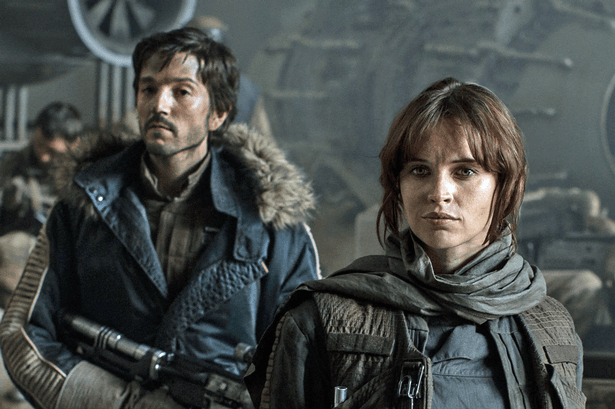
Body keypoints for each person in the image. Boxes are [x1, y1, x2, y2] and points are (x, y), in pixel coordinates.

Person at [0, 27, 319, 409]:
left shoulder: (271, 224)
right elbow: (23, 333)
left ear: (218, 114)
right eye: (148, 89)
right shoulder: (84, 204)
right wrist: (123, 402)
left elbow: (303, 363)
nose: (159, 105)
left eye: (181, 91)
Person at [245, 77, 586, 408]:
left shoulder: (552, 329)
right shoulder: (320, 321)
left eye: (464, 171)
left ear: (505, 183)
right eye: (420, 171)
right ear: (398, 184)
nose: (439, 193)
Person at [0, 102, 83, 236]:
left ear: (75, 145)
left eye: (53, 152)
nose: (44, 157)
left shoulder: (89, 173)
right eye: (39, 145)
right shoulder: (13, 163)